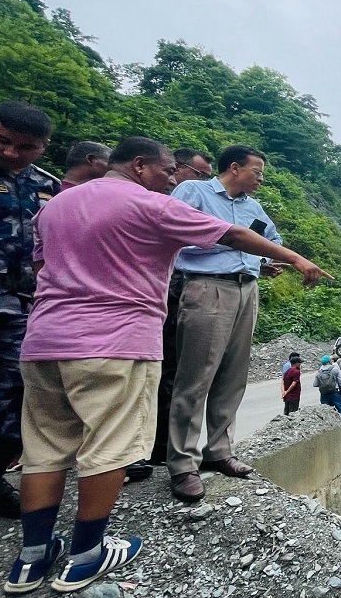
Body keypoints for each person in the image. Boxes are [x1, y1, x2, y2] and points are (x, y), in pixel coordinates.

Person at [5, 137, 330, 593]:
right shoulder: (152, 203)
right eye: (167, 172)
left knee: (42, 448)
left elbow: (40, 269)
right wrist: (296, 258)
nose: (173, 180)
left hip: (46, 338)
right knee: (110, 445)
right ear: (140, 166)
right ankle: (85, 556)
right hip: (116, 338)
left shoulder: (55, 205)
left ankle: (31, 558)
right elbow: (230, 236)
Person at [167, 145, 294, 502]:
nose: (260, 180)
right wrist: (235, 244)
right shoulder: (194, 191)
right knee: (195, 378)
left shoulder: (252, 207)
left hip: (247, 290)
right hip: (207, 287)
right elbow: (176, 234)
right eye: (257, 172)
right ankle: (182, 465)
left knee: (233, 376)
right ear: (234, 168)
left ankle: (219, 450)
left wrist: (257, 257)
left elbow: (273, 240)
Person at [0, 100, 58, 520]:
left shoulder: (46, 187)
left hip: (17, 307)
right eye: (2, 141)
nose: (11, 153)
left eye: (26, 147)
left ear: (43, 146)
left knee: (20, 396)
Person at [146, 147, 215, 467]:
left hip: (169, 293)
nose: (175, 179)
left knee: (169, 373)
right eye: (199, 174)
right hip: (145, 299)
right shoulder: (148, 204)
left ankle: (160, 449)